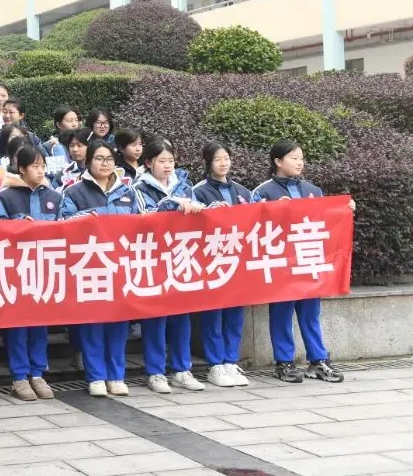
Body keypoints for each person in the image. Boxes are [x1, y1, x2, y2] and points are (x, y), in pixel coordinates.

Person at [251, 139, 354, 384]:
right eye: (294, 158)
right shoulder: (262, 192)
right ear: (278, 161)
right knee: (281, 314)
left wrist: (345, 209)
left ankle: (318, 360)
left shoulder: (313, 190)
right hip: (280, 263)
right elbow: (251, 223)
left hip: (308, 260)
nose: (300, 163)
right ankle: (284, 362)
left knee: (310, 314)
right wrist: (270, 210)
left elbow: (327, 221)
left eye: (301, 158)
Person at [59, 140, 144, 397]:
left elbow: (142, 225)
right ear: (88, 162)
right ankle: (96, 376)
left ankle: (116, 375)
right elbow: (62, 224)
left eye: (108, 159)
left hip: (120, 267)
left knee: (118, 324)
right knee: (93, 324)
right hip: (90, 268)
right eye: (99, 158)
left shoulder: (128, 192)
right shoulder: (74, 192)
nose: (104, 164)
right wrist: (84, 220)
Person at [134, 137, 206, 395]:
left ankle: (182, 369)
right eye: (161, 161)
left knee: (181, 316)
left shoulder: (184, 185)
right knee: (155, 317)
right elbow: (143, 217)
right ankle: (155, 371)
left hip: (181, 256)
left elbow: (200, 211)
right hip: (152, 258)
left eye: (171, 161)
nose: (167, 166)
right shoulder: (138, 188)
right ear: (148, 163)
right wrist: (172, 204)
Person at [0, 145, 60, 402]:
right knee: (18, 324)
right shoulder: (7, 197)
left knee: (40, 323)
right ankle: (19, 376)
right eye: (34, 166)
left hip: (44, 269)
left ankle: (38, 373)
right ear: (21, 169)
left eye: (43, 166)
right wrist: (19, 227)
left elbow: (64, 228)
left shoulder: (54, 196)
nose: (40, 171)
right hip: (15, 270)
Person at [193, 141, 252, 388]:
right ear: (208, 163)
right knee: (213, 315)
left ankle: (230, 361)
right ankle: (215, 364)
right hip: (212, 262)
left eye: (226, 158)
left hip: (237, 261)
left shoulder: (243, 191)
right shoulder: (199, 191)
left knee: (235, 315)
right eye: (217, 159)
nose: (223, 163)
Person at [42, 106, 80, 171]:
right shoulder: (53, 146)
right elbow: (59, 172)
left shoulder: (83, 141)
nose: (74, 124)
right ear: (59, 125)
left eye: (76, 120)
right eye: (70, 121)